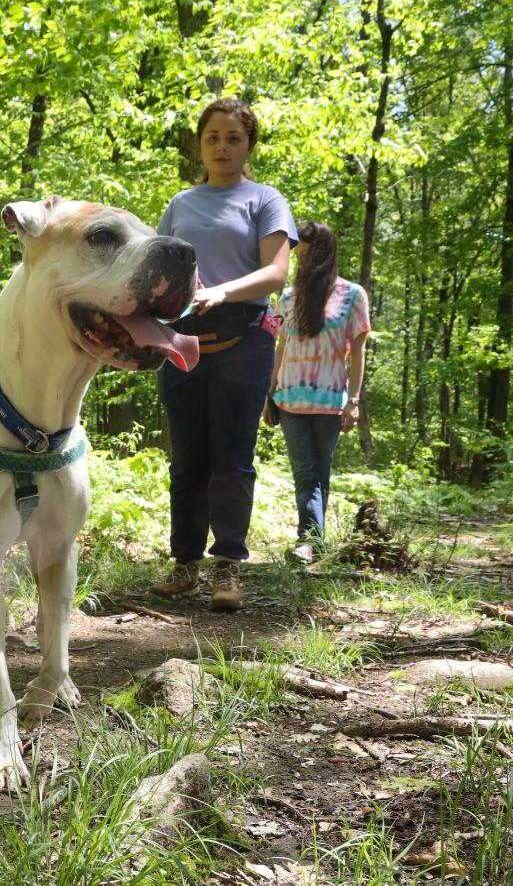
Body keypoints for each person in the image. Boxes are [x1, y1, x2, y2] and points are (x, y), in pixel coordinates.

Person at [150, 98, 298, 611]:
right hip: (184, 343)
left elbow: (276, 273)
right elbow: (156, 268)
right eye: (212, 137)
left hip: (245, 341)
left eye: (233, 138)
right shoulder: (181, 203)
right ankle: (185, 566)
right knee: (188, 459)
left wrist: (221, 291)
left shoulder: (265, 200)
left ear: (248, 145)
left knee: (232, 459)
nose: (222, 146)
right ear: (200, 144)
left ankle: (228, 567)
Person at [263, 221, 370, 561]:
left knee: (320, 472)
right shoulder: (288, 298)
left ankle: (313, 542)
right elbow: (281, 347)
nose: (302, 262)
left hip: (330, 401)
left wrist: (355, 401)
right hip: (290, 400)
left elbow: (358, 352)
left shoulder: (352, 295)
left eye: (308, 255)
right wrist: (269, 393)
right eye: (299, 256)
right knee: (306, 473)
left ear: (324, 255)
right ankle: (308, 541)